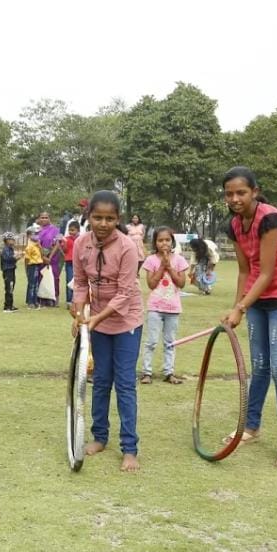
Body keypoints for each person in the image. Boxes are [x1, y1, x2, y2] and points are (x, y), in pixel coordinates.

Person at [221, 166, 277, 470]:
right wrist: (237, 308)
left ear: (254, 192)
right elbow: (246, 271)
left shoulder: (270, 218)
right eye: (229, 193)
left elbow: (269, 271)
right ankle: (251, 427)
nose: (235, 198)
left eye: (241, 192)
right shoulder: (233, 225)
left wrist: (240, 307)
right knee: (259, 367)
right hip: (257, 299)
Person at [72, 190, 144, 472]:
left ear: (118, 219)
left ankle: (130, 448)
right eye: (97, 217)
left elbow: (126, 293)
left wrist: (95, 318)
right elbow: (79, 283)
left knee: (124, 383)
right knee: (100, 380)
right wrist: (79, 313)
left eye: (109, 218)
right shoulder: (81, 243)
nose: (103, 224)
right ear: (88, 216)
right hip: (97, 323)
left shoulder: (127, 247)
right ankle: (99, 437)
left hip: (126, 322)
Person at [140, 226, 189, 385]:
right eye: (160, 240)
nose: (164, 243)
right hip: (155, 307)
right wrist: (162, 266)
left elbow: (181, 283)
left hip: (173, 308)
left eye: (167, 240)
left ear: (172, 241)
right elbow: (151, 284)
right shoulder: (151, 260)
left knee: (170, 342)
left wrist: (170, 266)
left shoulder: (180, 260)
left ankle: (169, 372)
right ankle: (147, 372)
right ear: (155, 242)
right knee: (151, 341)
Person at [36, 212, 63, 306]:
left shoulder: (56, 230)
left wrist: (50, 257)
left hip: (54, 258)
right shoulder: (36, 230)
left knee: (55, 278)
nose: (44, 219)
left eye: (46, 217)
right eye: (42, 217)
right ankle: (42, 300)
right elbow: (36, 244)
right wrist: (43, 256)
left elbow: (58, 243)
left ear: (49, 218)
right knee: (41, 277)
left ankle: (55, 299)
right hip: (40, 258)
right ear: (39, 219)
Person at [0, 231, 22, 312]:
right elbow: (8, 258)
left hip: (11, 269)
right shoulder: (6, 249)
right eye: (12, 239)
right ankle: (7, 307)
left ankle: (10, 304)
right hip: (8, 271)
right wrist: (16, 257)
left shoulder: (10, 249)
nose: (13, 241)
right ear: (7, 240)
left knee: (11, 287)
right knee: (9, 288)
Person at [23, 226, 44, 309]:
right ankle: (30, 302)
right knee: (32, 284)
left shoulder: (37, 244)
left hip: (38, 265)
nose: (37, 236)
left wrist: (40, 246)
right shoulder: (29, 246)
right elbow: (27, 259)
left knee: (36, 284)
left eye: (38, 234)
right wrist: (26, 269)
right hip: (32, 266)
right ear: (29, 235)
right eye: (34, 234)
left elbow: (42, 254)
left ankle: (35, 301)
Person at [63, 221, 81, 305]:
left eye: (73, 230)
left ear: (78, 230)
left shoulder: (81, 239)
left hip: (79, 263)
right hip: (69, 262)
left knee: (78, 281)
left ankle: (76, 299)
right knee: (69, 280)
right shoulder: (66, 239)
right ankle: (69, 301)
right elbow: (64, 250)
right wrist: (64, 243)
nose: (71, 232)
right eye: (70, 230)